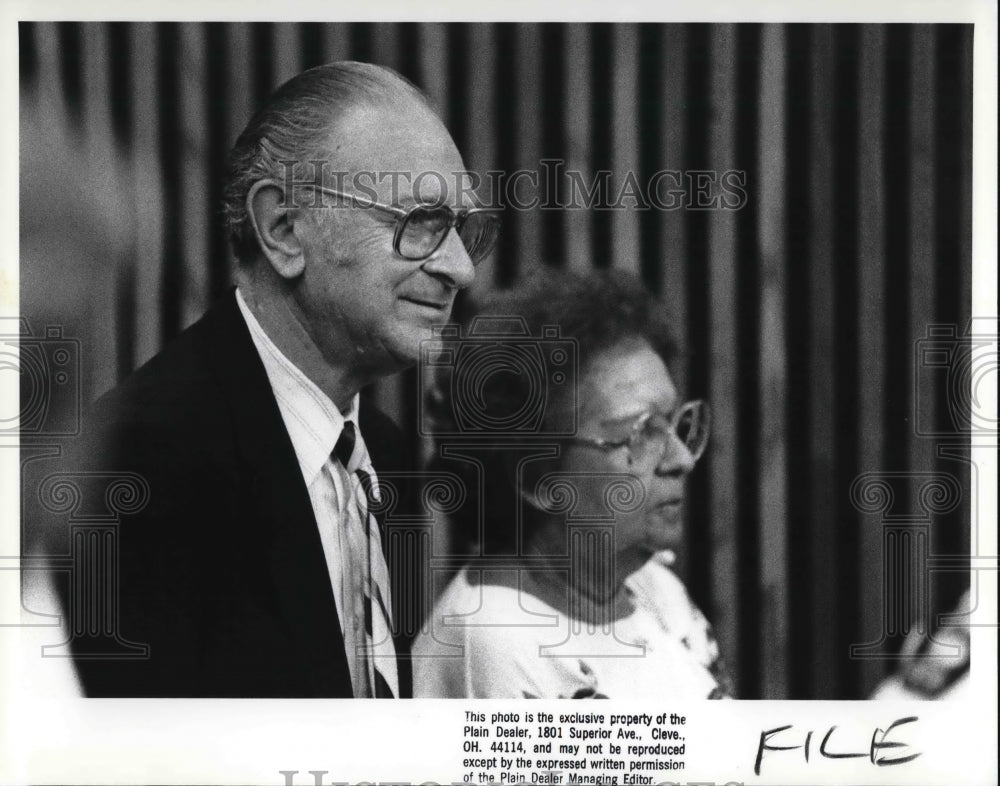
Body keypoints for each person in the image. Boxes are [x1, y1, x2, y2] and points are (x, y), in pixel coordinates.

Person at [58, 61, 497, 697]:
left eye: (463, 230)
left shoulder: (384, 451)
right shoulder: (139, 463)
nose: (461, 270)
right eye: (420, 223)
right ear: (284, 229)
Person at [413, 270, 732, 699]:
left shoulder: (653, 586)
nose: (681, 460)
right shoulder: (497, 640)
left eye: (674, 425)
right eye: (640, 435)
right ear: (538, 479)